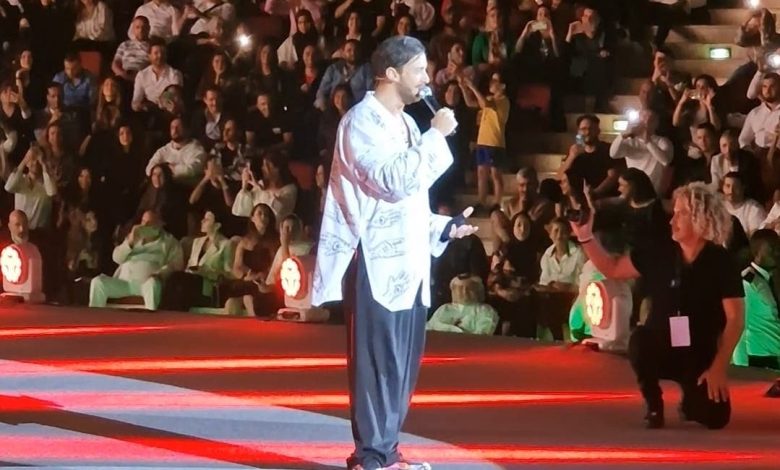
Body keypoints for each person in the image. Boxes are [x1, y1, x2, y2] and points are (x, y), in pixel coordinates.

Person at [311, 36, 476, 470]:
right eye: (418, 70)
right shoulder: (360, 122)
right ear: (391, 73)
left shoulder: (405, 124)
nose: (426, 79)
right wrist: (436, 136)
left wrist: (442, 226)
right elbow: (390, 182)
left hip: (408, 260)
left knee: (401, 365)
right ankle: (371, 456)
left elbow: (410, 201)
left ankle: (387, 452)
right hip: (374, 259)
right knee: (378, 364)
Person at [571, 182, 745, 430]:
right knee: (639, 341)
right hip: (661, 344)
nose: (673, 220)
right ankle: (654, 403)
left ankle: (689, 402)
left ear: (700, 218)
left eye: (681, 214)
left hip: (699, 353)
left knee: (715, 417)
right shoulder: (659, 251)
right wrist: (585, 237)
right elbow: (613, 269)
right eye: (674, 213)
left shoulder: (721, 261)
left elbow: (735, 319)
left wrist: (719, 367)